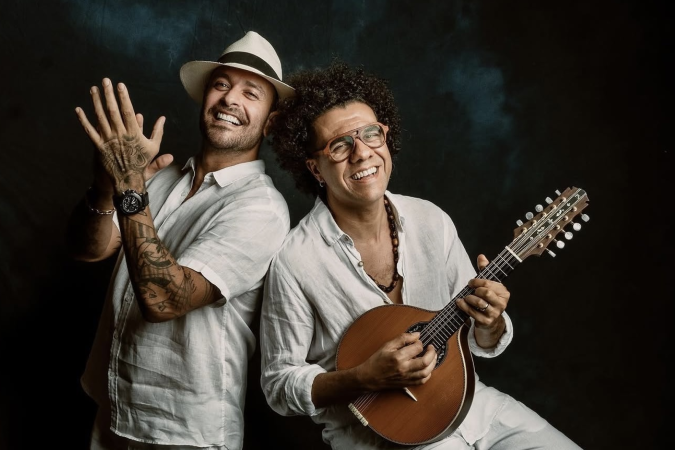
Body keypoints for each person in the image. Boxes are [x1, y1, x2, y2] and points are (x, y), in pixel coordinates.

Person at [259, 60, 582, 450]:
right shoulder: (295, 261)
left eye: (371, 134)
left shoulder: (431, 220)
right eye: (340, 145)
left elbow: (475, 340)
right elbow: (278, 385)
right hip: (381, 437)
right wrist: (363, 377)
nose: (362, 153)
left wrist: (490, 321)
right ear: (315, 167)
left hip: (471, 407)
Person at [66, 31, 294, 449]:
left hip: (184, 432)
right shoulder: (160, 177)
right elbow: (88, 249)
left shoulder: (261, 208)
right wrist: (105, 186)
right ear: (205, 98)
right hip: (113, 409)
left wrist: (129, 184)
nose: (230, 99)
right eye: (221, 84)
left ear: (271, 122)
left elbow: (165, 299)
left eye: (251, 93)